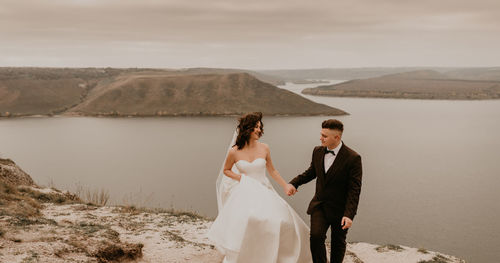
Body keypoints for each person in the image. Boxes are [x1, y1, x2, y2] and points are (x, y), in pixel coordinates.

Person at [207, 112, 312, 263]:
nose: (258, 130)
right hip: (244, 191)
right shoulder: (234, 151)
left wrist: (285, 185)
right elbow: (226, 170)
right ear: (247, 128)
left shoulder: (264, 148)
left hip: (264, 189)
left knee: (279, 221)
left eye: (260, 127)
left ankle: (275, 256)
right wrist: (242, 178)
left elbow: (272, 170)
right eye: (255, 127)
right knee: (249, 223)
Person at [287, 119, 362, 263]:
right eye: (321, 134)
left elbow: (355, 189)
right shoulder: (317, 151)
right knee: (315, 237)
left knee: (338, 243)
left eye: (324, 136)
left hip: (341, 210)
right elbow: (311, 172)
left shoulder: (353, 158)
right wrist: (294, 183)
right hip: (319, 205)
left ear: (337, 137)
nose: (320, 138)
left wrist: (349, 214)